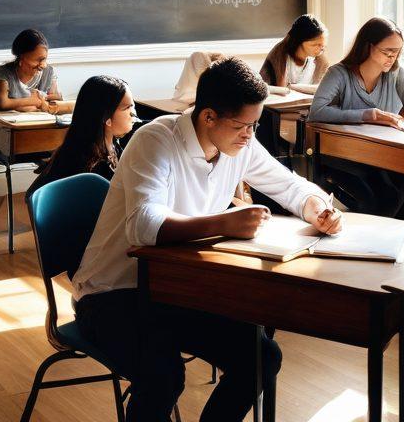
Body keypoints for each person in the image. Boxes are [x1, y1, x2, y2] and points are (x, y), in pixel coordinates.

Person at [71, 57, 340, 422]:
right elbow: (144, 227)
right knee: (164, 376)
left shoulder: (238, 144)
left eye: (255, 124)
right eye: (242, 125)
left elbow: (289, 186)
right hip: (113, 293)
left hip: (178, 289)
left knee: (262, 357)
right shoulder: (156, 140)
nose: (249, 135)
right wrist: (224, 222)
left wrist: (318, 208)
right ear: (209, 116)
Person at [308, 16, 404, 216]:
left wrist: (396, 119)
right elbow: (317, 111)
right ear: (368, 46)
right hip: (345, 154)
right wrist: (369, 115)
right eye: (387, 51)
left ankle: (396, 232)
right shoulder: (338, 74)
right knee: (384, 193)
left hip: (385, 154)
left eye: (397, 52)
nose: (392, 57)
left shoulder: (396, 73)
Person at [26, 75, 136, 200]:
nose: (133, 113)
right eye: (127, 108)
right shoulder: (89, 163)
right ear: (106, 117)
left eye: (132, 106)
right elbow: (33, 196)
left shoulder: (112, 146)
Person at [0, 29, 64, 112]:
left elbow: (55, 101)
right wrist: (32, 101)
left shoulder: (48, 72)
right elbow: (1, 105)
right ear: (21, 58)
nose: (43, 65)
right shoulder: (4, 73)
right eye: (38, 60)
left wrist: (24, 106)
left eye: (44, 59)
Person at [259, 14, 329, 88]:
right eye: (314, 45)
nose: (320, 49)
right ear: (300, 41)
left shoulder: (320, 60)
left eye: (322, 45)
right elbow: (276, 89)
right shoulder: (280, 56)